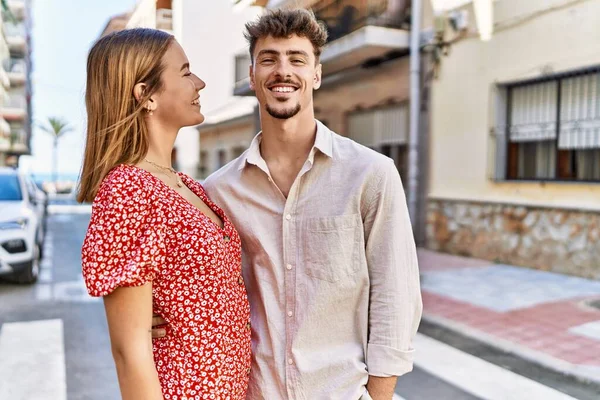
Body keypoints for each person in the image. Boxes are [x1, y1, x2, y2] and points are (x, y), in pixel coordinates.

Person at [154, 8, 423, 400]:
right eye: (269, 59)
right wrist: (151, 314)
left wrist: (378, 396)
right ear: (252, 75)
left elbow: (395, 297)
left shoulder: (371, 174)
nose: (283, 71)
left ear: (316, 73)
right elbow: (195, 287)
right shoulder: (217, 192)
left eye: (297, 59)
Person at [78, 28, 251, 400]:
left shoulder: (186, 185)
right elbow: (130, 353)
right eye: (186, 72)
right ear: (146, 95)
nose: (199, 82)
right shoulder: (129, 190)